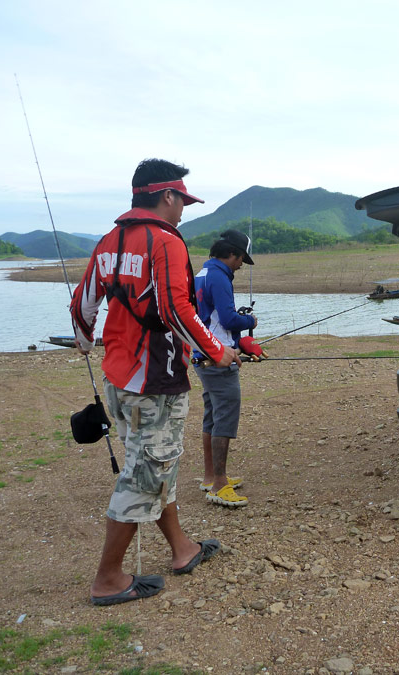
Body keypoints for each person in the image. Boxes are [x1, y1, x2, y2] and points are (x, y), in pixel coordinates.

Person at [70, 158, 241, 606]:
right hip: (155, 382)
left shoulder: (109, 240)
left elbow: (82, 305)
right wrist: (215, 350)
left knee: (151, 463)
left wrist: (87, 342)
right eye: (182, 199)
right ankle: (108, 578)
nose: (184, 208)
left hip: (118, 378)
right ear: (166, 196)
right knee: (145, 473)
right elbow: (173, 309)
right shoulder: (165, 241)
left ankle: (182, 549)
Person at [193, 230, 257, 507]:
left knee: (213, 415)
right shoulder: (219, 277)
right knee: (226, 418)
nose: (241, 265)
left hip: (202, 354)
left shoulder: (202, 273)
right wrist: (251, 321)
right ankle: (219, 484)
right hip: (218, 358)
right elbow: (229, 318)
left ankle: (210, 477)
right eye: (241, 258)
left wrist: (238, 338)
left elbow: (210, 319)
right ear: (232, 253)